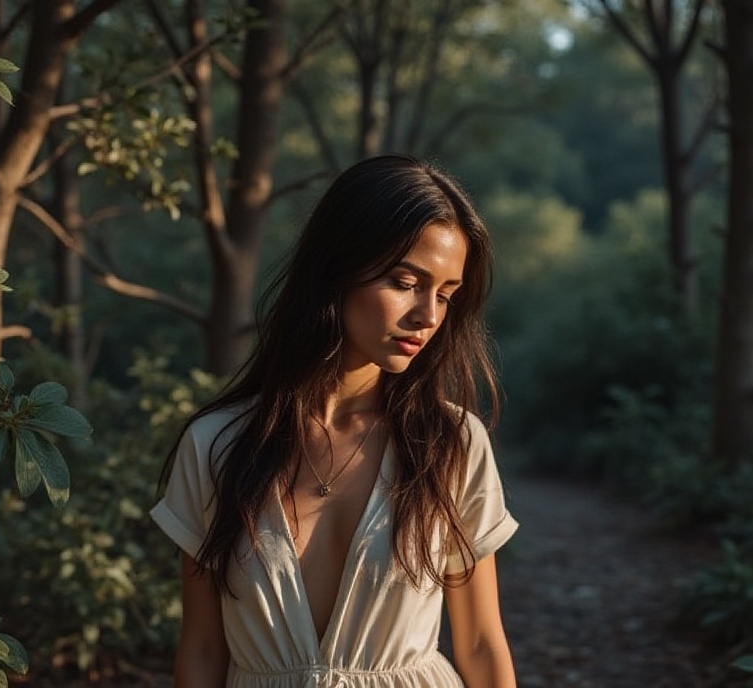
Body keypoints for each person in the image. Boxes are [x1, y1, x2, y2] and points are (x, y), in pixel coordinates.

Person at [151, 154, 517, 688]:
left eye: (445, 294)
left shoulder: (452, 443)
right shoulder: (216, 447)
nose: (428, 315)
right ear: (336, 269)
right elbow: (203, 649)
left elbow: (481, 643)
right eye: (405, 280)